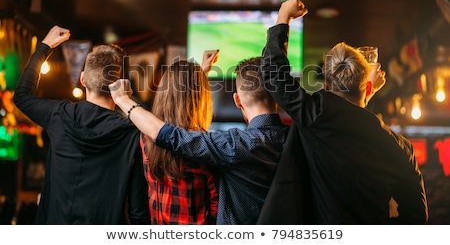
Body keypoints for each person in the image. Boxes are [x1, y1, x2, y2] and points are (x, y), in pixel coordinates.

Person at [257, 0, 428, 224]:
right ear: (367, 88)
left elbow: (273, 73)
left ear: (326, 85)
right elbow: (417, 217)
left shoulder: (313, 114)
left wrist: (283, 19)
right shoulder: (401, 149)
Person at [109, 56, 290, 224]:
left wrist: (122, 99)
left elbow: (166, 134)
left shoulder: (145, 139)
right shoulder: (294, 138)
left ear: (237, 100)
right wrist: (196, 79)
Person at [13, 25, 150, 224]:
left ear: (83, 79)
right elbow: (138, 212)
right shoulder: (131, 135)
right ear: (120, 85)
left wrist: (45, 47)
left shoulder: (59, 115)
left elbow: (22, 96)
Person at [140, 58, 218, 224]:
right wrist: (197, 80)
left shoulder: (145, 137)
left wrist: (198, 75)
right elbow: (217, 207)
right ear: (201, 97)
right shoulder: (204, 145)